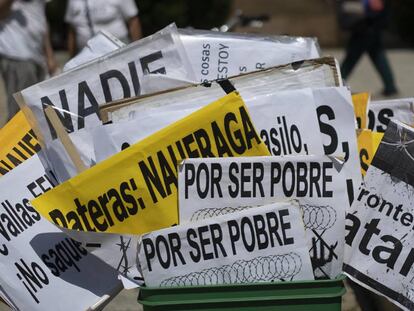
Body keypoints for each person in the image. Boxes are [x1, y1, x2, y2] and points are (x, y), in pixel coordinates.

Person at [0, 0, 57, 122]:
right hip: (17, 56)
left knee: (36, 108)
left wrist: (49, 55)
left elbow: (42, 21)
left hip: (37, 58)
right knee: (19, 111)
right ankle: (11, 140)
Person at [340, 0, 398, 96]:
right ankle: (390, 86)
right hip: (368, 25)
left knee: (350, 60)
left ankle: (336, 84)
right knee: (378, 56)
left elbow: (376, 5)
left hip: (366, 25)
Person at [65, 0, 143, 57]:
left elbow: (133, 20)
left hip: (118, 50)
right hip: (85, 54)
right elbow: (72, 30)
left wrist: (137, 51)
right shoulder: (72, 1)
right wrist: (71, 58)